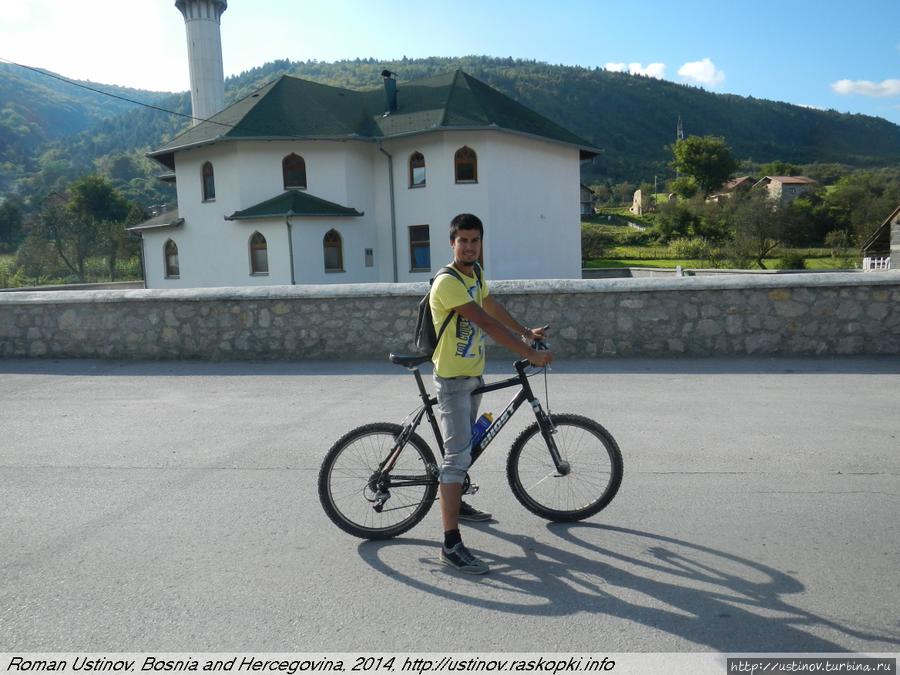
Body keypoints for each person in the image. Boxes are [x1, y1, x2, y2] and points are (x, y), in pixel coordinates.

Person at [430, 213, 553, 574]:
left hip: (472, 376)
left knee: (465, 451)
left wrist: (526, 332)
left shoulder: (476, 275)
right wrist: (528, 354)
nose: (469, 246)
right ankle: (450, 544)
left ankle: (457, 500)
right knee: (454, 459)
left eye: (475, 240)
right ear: (452, 243)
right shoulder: (448, 283)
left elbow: (492, 307)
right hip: (452, 380)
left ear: (481, 243)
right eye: (463, 240)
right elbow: (483, 322)